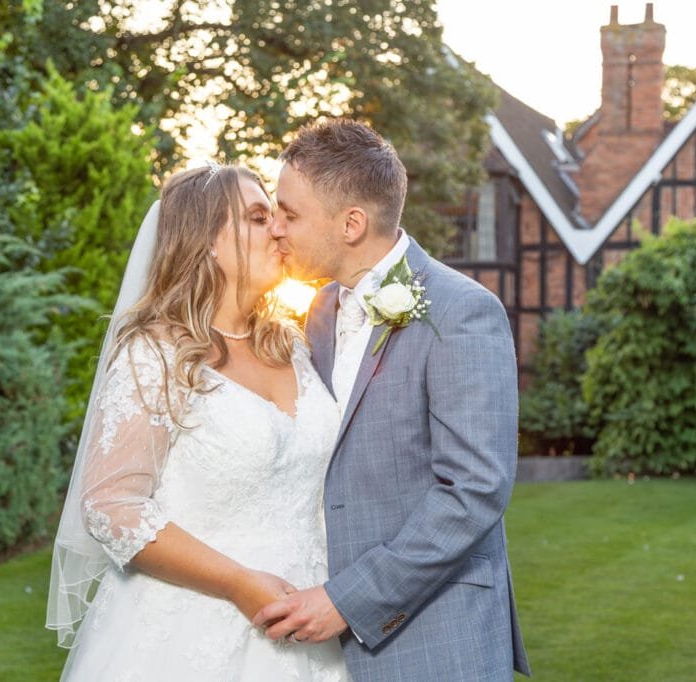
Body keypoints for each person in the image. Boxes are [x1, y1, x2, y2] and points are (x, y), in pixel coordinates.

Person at [46, 163, 349, 681]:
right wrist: (236, 582)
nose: (278, 230)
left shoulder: (294, 345)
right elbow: (111, 507)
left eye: (275, 216)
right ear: (206, 240)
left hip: (314, 613)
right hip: (190, 626)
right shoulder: (157, 355)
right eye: (258, 217)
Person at [256, 120, 532, 680]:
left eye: (290, 213)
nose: (275, 229)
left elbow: (474, 490)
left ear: (351, 223)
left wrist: (347, 600)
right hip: (327, 645)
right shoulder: (322, 310)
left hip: (435, 634)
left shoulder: (463, 313)